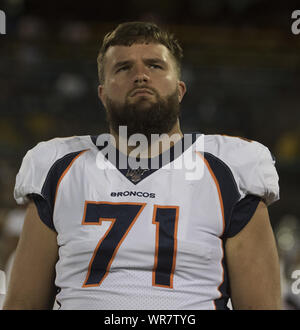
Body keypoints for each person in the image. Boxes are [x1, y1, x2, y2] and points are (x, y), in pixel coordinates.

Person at [3, 21, 281, 310]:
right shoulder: (57, 166)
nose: (140, 76)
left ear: (180, 88)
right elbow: (23, 304)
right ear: (102, 93)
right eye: (123, 68)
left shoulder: (231, 168)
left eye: (155, 66)